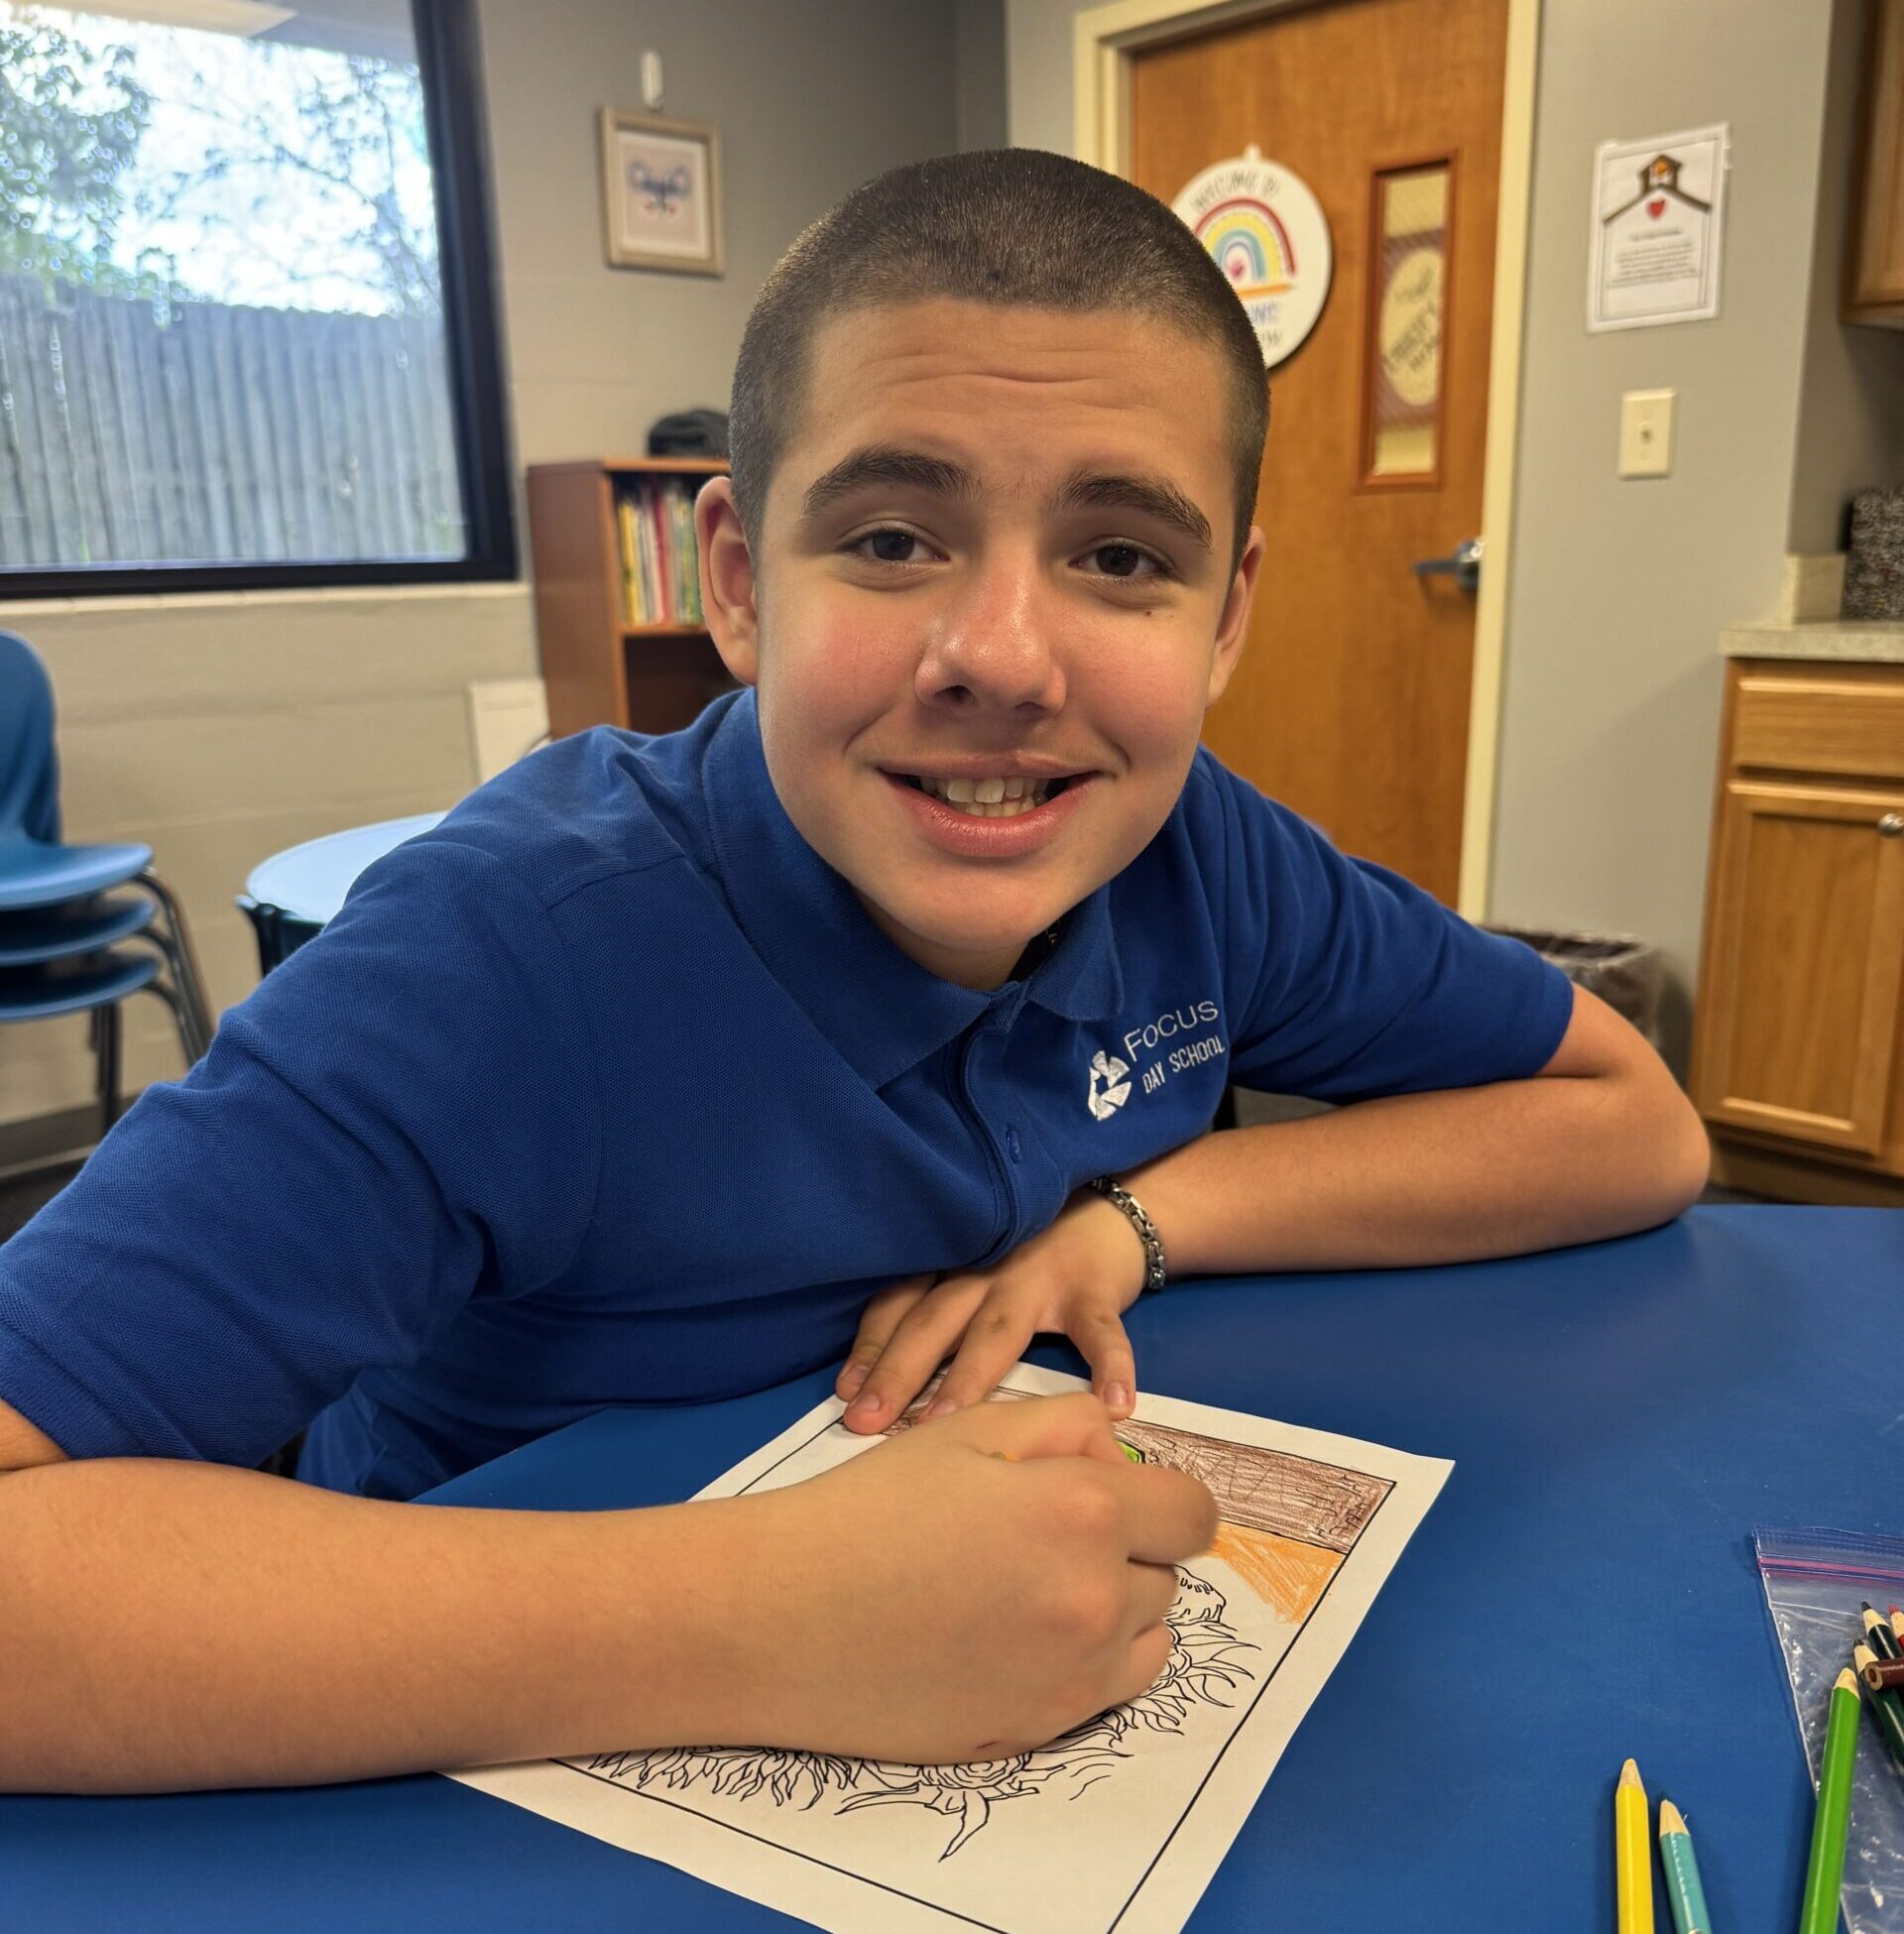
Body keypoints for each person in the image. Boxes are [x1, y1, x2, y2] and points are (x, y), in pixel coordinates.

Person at [0, 150, 1708, 1795]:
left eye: (1122, 556)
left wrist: (1134, 1221)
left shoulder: (1203, 856)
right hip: (460, 1767)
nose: (1002, 659)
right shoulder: (507, 953)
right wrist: (760, 1611)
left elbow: (1632, 1121)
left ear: (1226, 617)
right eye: (893, 539)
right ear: (740, 583)